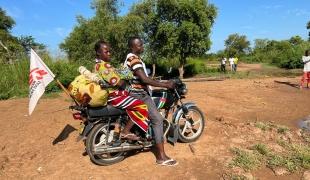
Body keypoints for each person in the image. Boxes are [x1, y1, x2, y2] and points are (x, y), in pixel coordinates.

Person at [124, 36, 178, 166]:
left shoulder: (131, 59)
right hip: (140, 94)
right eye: (139, 45)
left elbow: (143, 77)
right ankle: (161, 157)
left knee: (150, 117)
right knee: (157, 120)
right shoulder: (134, 59)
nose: (142, 47)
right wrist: (165, 85)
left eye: (142, 44)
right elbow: (144, 79)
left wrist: (157, 81)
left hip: (134, 92)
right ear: (132, 47)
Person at [94, 40, 149, 140]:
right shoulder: (104, 65)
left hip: (111, 95)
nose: (109, 54)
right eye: (106, 52)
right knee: (141, 106)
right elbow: (117, 82)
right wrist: (126, 80)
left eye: (109, 51)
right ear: (98, 52)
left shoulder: (96, 65)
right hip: (114, 96)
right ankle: (125, 132)